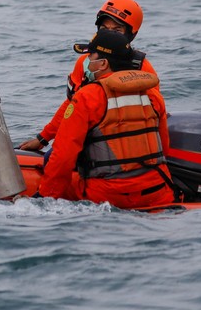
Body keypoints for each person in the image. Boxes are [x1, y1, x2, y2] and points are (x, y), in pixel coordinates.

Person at [35, 30, 173, 209]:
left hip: (108, 196)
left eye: (90, 56)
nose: (86, 62)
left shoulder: (87, 97)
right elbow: (165, 148)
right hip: (157, 192)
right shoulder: (153, 95)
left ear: (103, 63)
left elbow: (62, 157)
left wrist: (43, 199)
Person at [19, 0, 159, 152]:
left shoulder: (143, 69)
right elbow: (71, 105)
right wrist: (43, 138)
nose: (109, 34)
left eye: (117, 29)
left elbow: (156, 114)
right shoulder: (85, 63)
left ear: (131, 34)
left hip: (129, 142)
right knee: (51, 156)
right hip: (93, 137)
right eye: (104, 29)